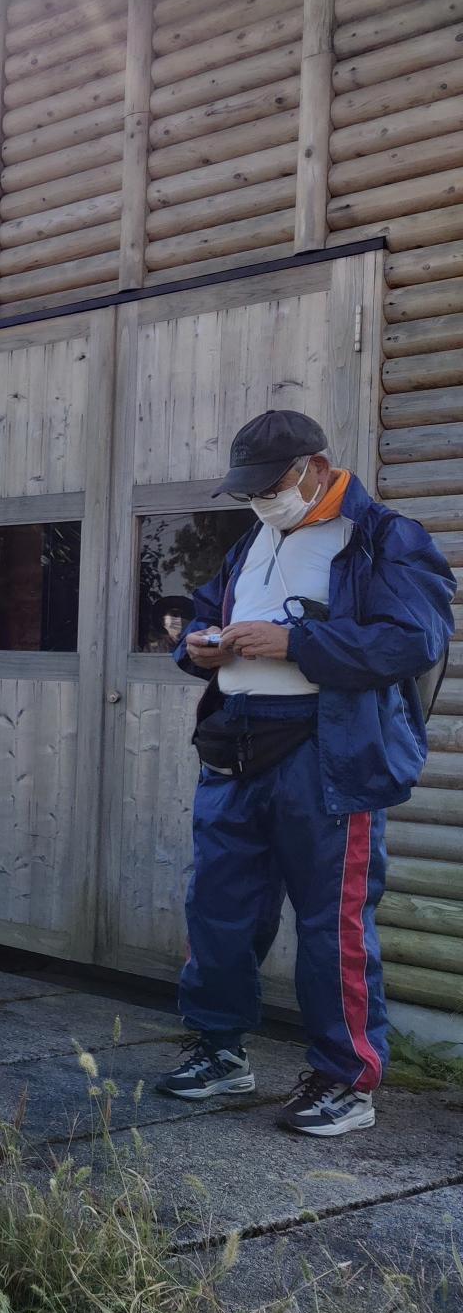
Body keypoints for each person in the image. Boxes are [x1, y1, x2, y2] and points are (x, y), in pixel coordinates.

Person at [157, 410, 455, 1137]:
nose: (262, 499)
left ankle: (345, 1082)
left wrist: (294, 642)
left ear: (316, 467)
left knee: (333, 923)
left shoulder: (385, 535)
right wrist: (196, 648)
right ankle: (220, 1051)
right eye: (250, 490)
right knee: (219, 905)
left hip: (329, 753)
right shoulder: (254, 540)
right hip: (235, 747)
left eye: (273, 484)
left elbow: (415, 639)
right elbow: (205, 611)